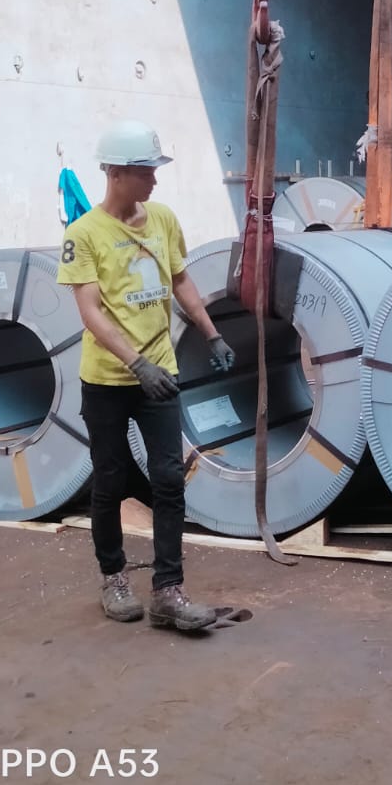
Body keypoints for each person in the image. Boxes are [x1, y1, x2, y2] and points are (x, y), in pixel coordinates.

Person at [58, 120, 236, 633]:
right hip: (110, 380)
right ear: (115, 173)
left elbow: (179, 278)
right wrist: (137, 363)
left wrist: (212, 333)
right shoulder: (84, 234)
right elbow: (91, 310)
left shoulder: (161, 219)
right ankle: (114, 577)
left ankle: (168, 591)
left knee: (167, 479)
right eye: (145, 172)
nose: (154, 181)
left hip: (163, 372)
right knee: (110, 480)